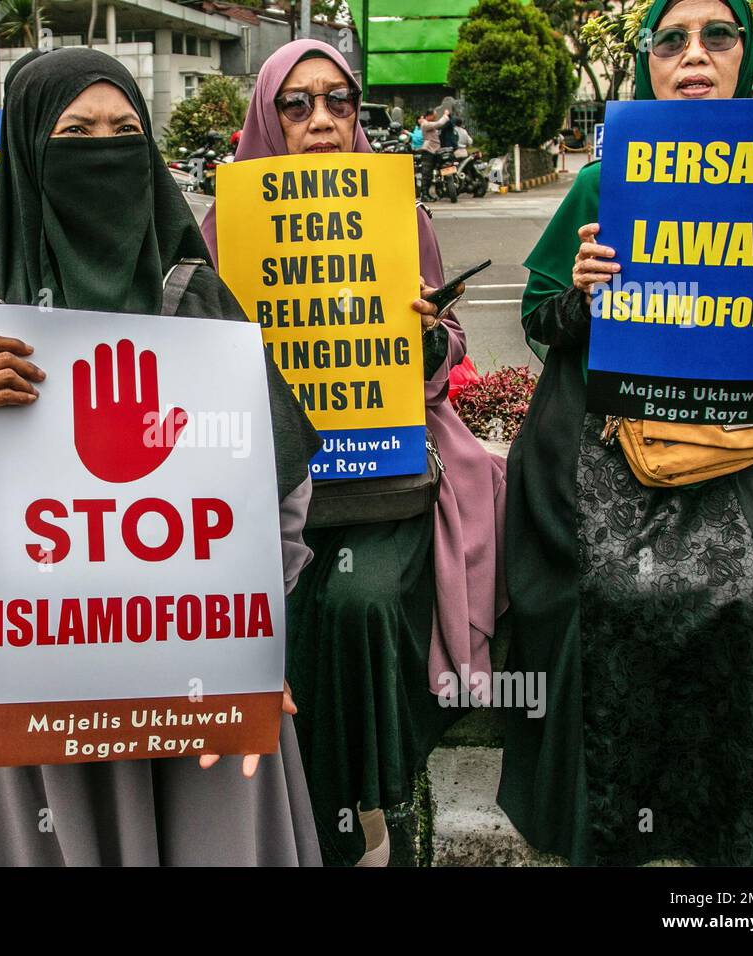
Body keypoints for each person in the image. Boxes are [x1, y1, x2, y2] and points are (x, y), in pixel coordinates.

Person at [0, 47, 324, 866]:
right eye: (75, 134)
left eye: (126, 132)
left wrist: (259, 649)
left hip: (200, 675)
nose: (103, 150)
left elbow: (280, 497)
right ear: (28, 155)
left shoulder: (199, 302)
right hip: (39, 685)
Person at [499, 0, 753, 866]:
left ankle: (719, 841)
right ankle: (611, 823)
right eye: (671, 39)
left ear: (745, 56)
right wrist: (582, 290)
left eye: (716, 35)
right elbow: (541, 316)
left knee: (738, 603)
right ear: (650, 64)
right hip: (614, 445)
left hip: (741, 452)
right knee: (611, 602)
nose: (694, 53)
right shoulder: (600, 179)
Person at [199, 39, 507, 866]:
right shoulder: (221, 227)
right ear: (267, 115)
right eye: (297, 104)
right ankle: (300, 821)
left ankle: (376, 808)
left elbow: (445, 358)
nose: (323, 120)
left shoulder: (401, 218)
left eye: (339, 101)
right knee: (276, 613)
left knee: (361, 601)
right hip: (262, 490)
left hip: (382, 484)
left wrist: (424, 336)